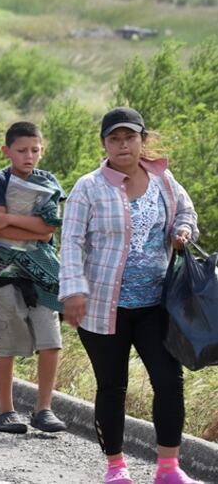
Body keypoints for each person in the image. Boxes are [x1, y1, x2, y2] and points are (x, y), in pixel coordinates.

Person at [60, 107, 200, 484]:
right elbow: (70, 241)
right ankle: (116, 467)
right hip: (103, 307)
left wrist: (183, 231)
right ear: (105, 144)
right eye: (114, 139)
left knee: (169, 381)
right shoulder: (88, 187)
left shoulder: (163, 179)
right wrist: (73, 291)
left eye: (130, 137)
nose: (123, 145)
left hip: (156, 305)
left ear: (143, 139)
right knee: (112, 386)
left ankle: (169, 468)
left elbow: (187, 212)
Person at [0, 122, 67, 434]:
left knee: (51, 342)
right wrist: (25, 225)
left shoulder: (49, 182)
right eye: (22, 150)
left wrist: (13, 219)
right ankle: (6, 410)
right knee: (8, 343)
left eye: (35, 149)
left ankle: (43, 409)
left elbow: (47, 231)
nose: (29, 156)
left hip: (43, 277)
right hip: (5, 275)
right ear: (7, 151)